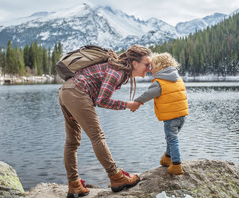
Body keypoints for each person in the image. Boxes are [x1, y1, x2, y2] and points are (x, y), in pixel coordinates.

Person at [58, 45, 151, 198]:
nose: (149, 68)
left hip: (66, 91)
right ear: (135, 63)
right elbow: (102, 100)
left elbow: (94, 92)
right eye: (147, 64)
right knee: (97, 136)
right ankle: (116, 177)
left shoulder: (115, 69)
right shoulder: (117, 72)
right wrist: (127, 105)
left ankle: (74, 184)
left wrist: (76, 108)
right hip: (76, 92)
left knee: (72, 141)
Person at [134, 52, 188, 175]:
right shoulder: (178, 79)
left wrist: (137, 102)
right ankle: (167, 158)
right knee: (171, 137)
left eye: (151, 67)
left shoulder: (159, 82)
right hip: (182, 116)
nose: (150, 70)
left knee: (172, 139)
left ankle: (176, 165)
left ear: (159, 68)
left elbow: (148, 94)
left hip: (171, 117)